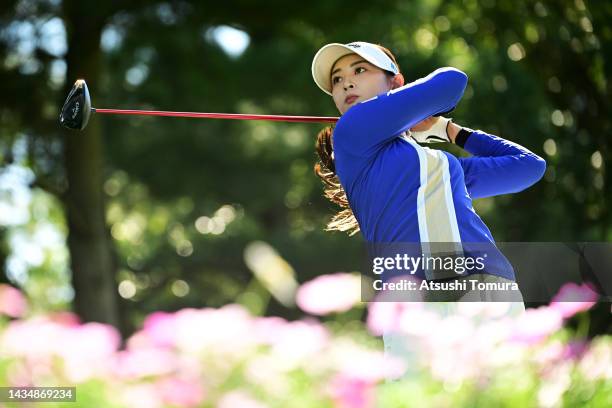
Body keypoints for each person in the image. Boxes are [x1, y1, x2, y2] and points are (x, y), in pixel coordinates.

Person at [310, 41, 547, 379]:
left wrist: (449, 131)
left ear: (396, 82)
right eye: (337, 79)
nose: (346, 83)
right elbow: (451, 82)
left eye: (359, 71)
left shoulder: (443, 166)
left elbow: (528, 167)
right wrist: (421, 114)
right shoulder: (352, 130)